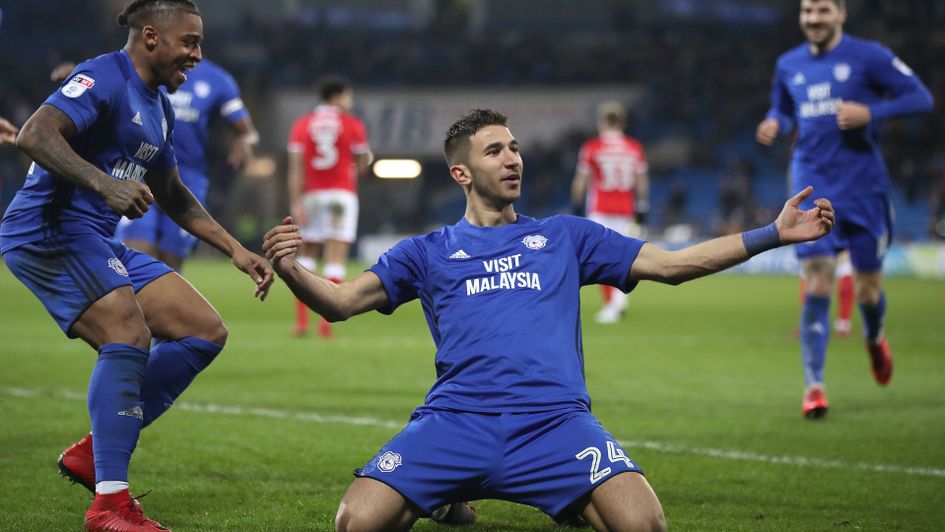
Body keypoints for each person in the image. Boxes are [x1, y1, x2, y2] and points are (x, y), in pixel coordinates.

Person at [263, 109, 834, 531]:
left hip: (555, 425)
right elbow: (339, 303)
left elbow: (674, 265)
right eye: (494, 151)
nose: (513, 158)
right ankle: (445, 491)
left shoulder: (564, 236)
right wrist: (290, 269)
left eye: (514, 147)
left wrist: (772, 234)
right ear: (461, 174)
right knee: (352, 524)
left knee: (647, 527)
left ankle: (467, 494)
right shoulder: (427, 251)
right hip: (456, 421)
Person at [0, 1, 273, 530]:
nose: (197, 55)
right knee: (127, 333)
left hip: (95, 237)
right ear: (151, 37)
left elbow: (173, 192)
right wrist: (105, 183)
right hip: (47, 234)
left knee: (202, 330)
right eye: (189, 42)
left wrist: (235, 250)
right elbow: (35, 135)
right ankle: (110, 506)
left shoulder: (159, 107)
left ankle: (92, 453)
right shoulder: (103, 75)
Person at [756, 0, 933, 419]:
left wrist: (873, 112)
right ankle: (814, 387)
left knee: (869, 291)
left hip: (864, 190)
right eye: (807, 11)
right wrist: (775, 123)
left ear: (841, 14)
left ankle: (874, 335)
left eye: (822, 11)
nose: (813, 19)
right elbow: (782, 108)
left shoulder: (868, 56)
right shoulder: (788, 64)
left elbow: (921, 97)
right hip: (812, 186)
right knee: (818, 282)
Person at [286, 76, 372, 337]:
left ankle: (301, 323)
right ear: (336, 97)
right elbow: (363, 164)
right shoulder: (352, 124)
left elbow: (295, 169)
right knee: (335, 258)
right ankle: (326, 324)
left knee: (307, 257)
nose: (350, 102)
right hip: (340, 196)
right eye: (347, 97)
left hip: (311, 196)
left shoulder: (302, 125)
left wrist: (295, 201)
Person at [571, 101, 649, 324]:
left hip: (601, 210)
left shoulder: (592, 147)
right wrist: (642, 207)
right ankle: (618, 301)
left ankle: (613, 306)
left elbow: (581, 181)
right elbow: (641, 181)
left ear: (602, 122)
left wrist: (576, 205)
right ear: (623, 122)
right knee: (623, 258)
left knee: (600, 259)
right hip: (625, 210)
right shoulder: (634, 147)